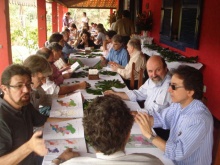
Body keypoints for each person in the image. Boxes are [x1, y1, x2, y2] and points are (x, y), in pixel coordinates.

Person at [51, 95, 163, 165]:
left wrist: (59, 159)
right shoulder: (152, 161)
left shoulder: (71, 163)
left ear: (87, 134)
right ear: (128, 135)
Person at [135, 65, 213, 165]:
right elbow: (162, 119)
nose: (169, 90)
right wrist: (139, 117)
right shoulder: (178, 105)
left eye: (174, 86)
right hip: (171, 159)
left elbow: (178, 152)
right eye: (170, 85)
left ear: (190, 92)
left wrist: (150, 135)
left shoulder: (199, 119)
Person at [0, 64, 69, 164]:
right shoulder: (2, 118)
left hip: (32, 158)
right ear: (5, 89)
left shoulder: (24, 104)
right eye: (19, 86)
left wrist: (78, 121)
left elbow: (44, 120)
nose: (26, 90)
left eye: (28, 85)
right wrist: (29, 146)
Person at [104, 55, 172, 140]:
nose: (154, 74)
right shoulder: (152, 80)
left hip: (159, 130)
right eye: (150, 71)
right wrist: (117, 94)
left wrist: (138, 113)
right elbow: (139, 93)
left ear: (166, 68)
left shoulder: (171, 88)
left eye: (158, 70)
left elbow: (166, 118)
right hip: (145, 120)